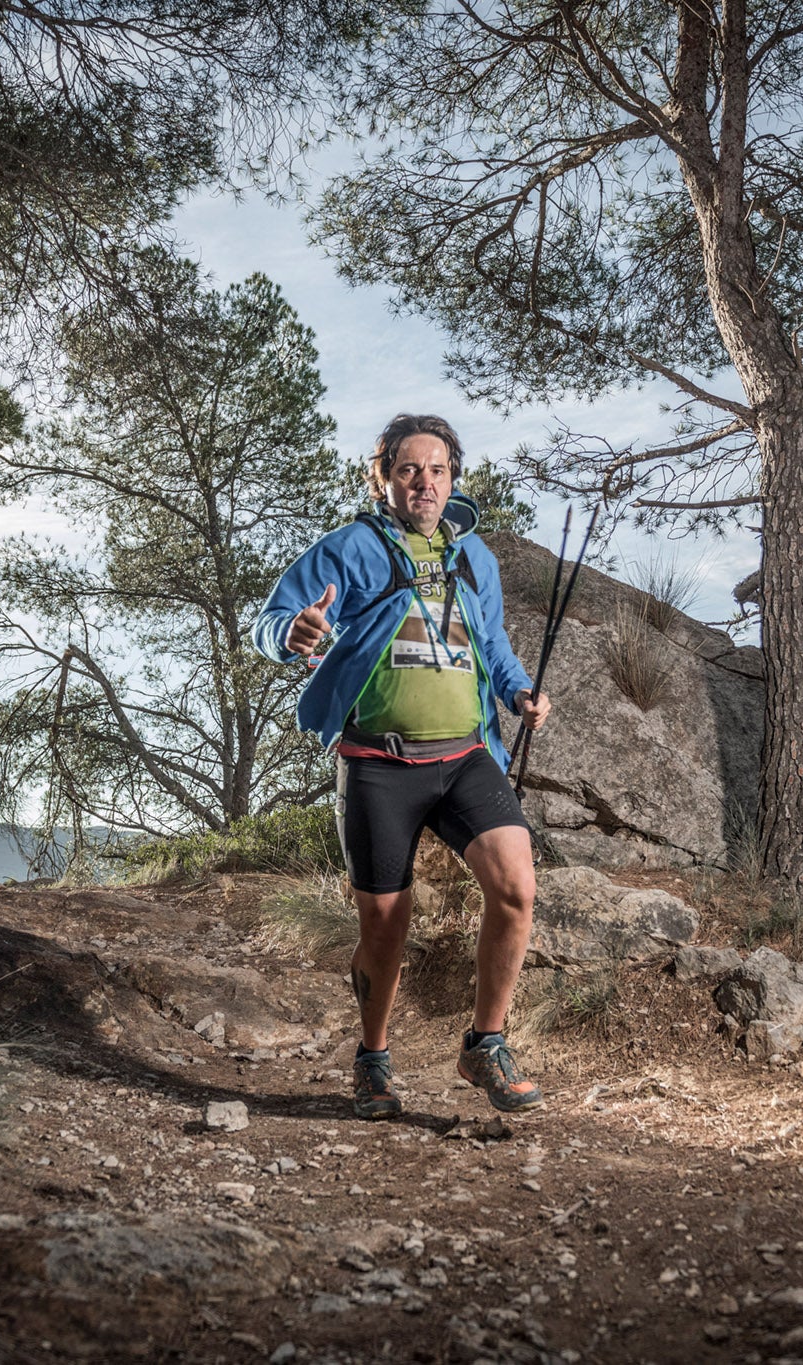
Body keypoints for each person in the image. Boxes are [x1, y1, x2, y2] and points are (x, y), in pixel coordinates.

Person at [252, 414, 551, 1119]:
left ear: (453, 478)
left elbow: (493, 639)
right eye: (410, 468)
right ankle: (374, 1057)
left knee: (516, 884)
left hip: (465, 755)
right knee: (386, 926)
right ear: (381, 474)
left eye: (439, 469)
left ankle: (485, 1041)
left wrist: (517, 690)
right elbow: (272, 618)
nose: (425, 481)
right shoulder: (349, 548)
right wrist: (291, 632)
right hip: (378, 763)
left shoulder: (476, 555)